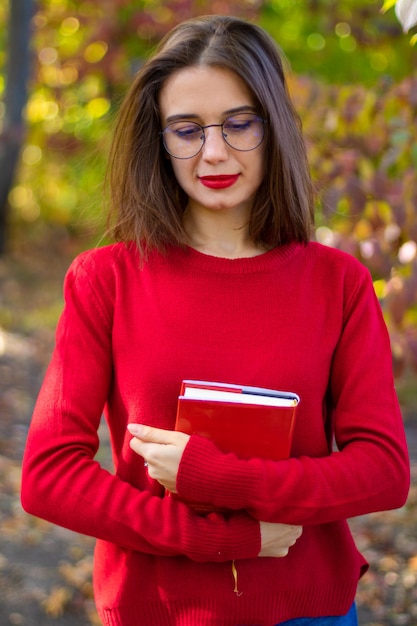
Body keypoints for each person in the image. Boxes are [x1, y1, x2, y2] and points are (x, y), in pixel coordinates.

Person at [21, 14, 410, 626]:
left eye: (238, 123)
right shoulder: (107, 279)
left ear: (273, 125)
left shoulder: (338, 282)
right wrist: (225, 539)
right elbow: (49, 477)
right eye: (187, 129)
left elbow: (384, 470)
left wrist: (219, 478)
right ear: (161, 139)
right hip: (160, 610)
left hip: (308, 609)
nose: (214, 152)